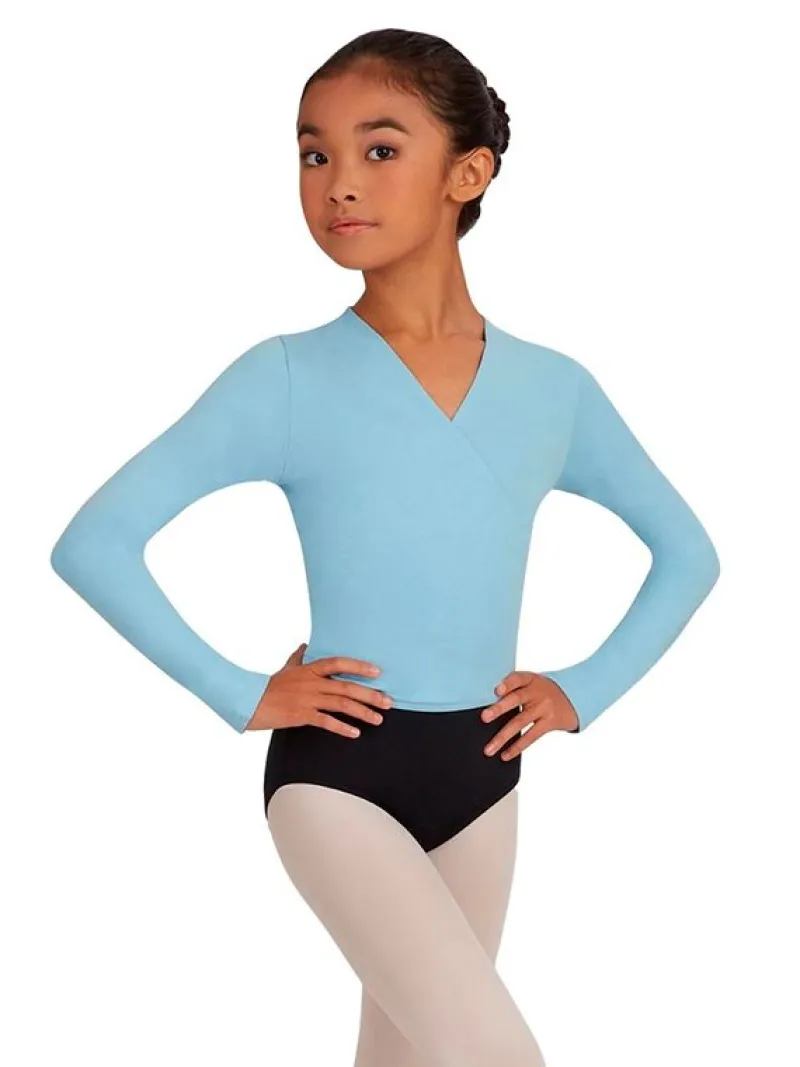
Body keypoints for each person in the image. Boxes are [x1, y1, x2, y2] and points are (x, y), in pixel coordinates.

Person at [49, 27, 720, 1067]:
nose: (338, 183)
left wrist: (582, 689)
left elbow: (687, 552)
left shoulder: (554, 391)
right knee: (497, 1055)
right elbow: (94, 541)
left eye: (378, 148)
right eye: (312, 153)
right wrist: (241, 690)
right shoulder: (285, 377)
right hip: (337, 773)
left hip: (485, 774)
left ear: (468, 173)